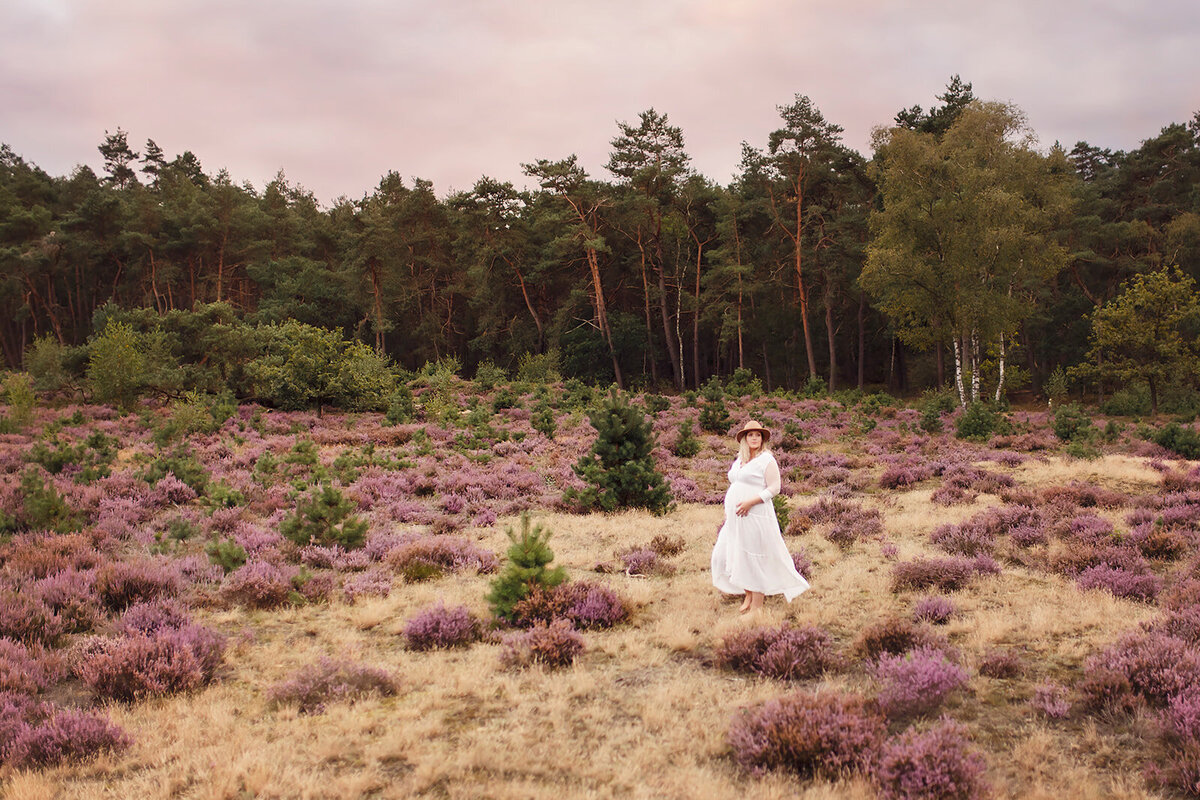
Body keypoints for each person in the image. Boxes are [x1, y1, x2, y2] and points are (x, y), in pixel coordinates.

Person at [711, 419, 810, 613]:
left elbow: (775, 488)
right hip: (736, 517)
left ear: (762, 439)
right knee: (736, 552)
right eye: (750, 435)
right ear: (745, 439)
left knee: (754, 554)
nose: (754, 438)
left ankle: (757, 606)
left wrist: (750, 501)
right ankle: (748, 594)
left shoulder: (767, 459)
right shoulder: (740, 459)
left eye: (758, 435)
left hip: (755, 513)